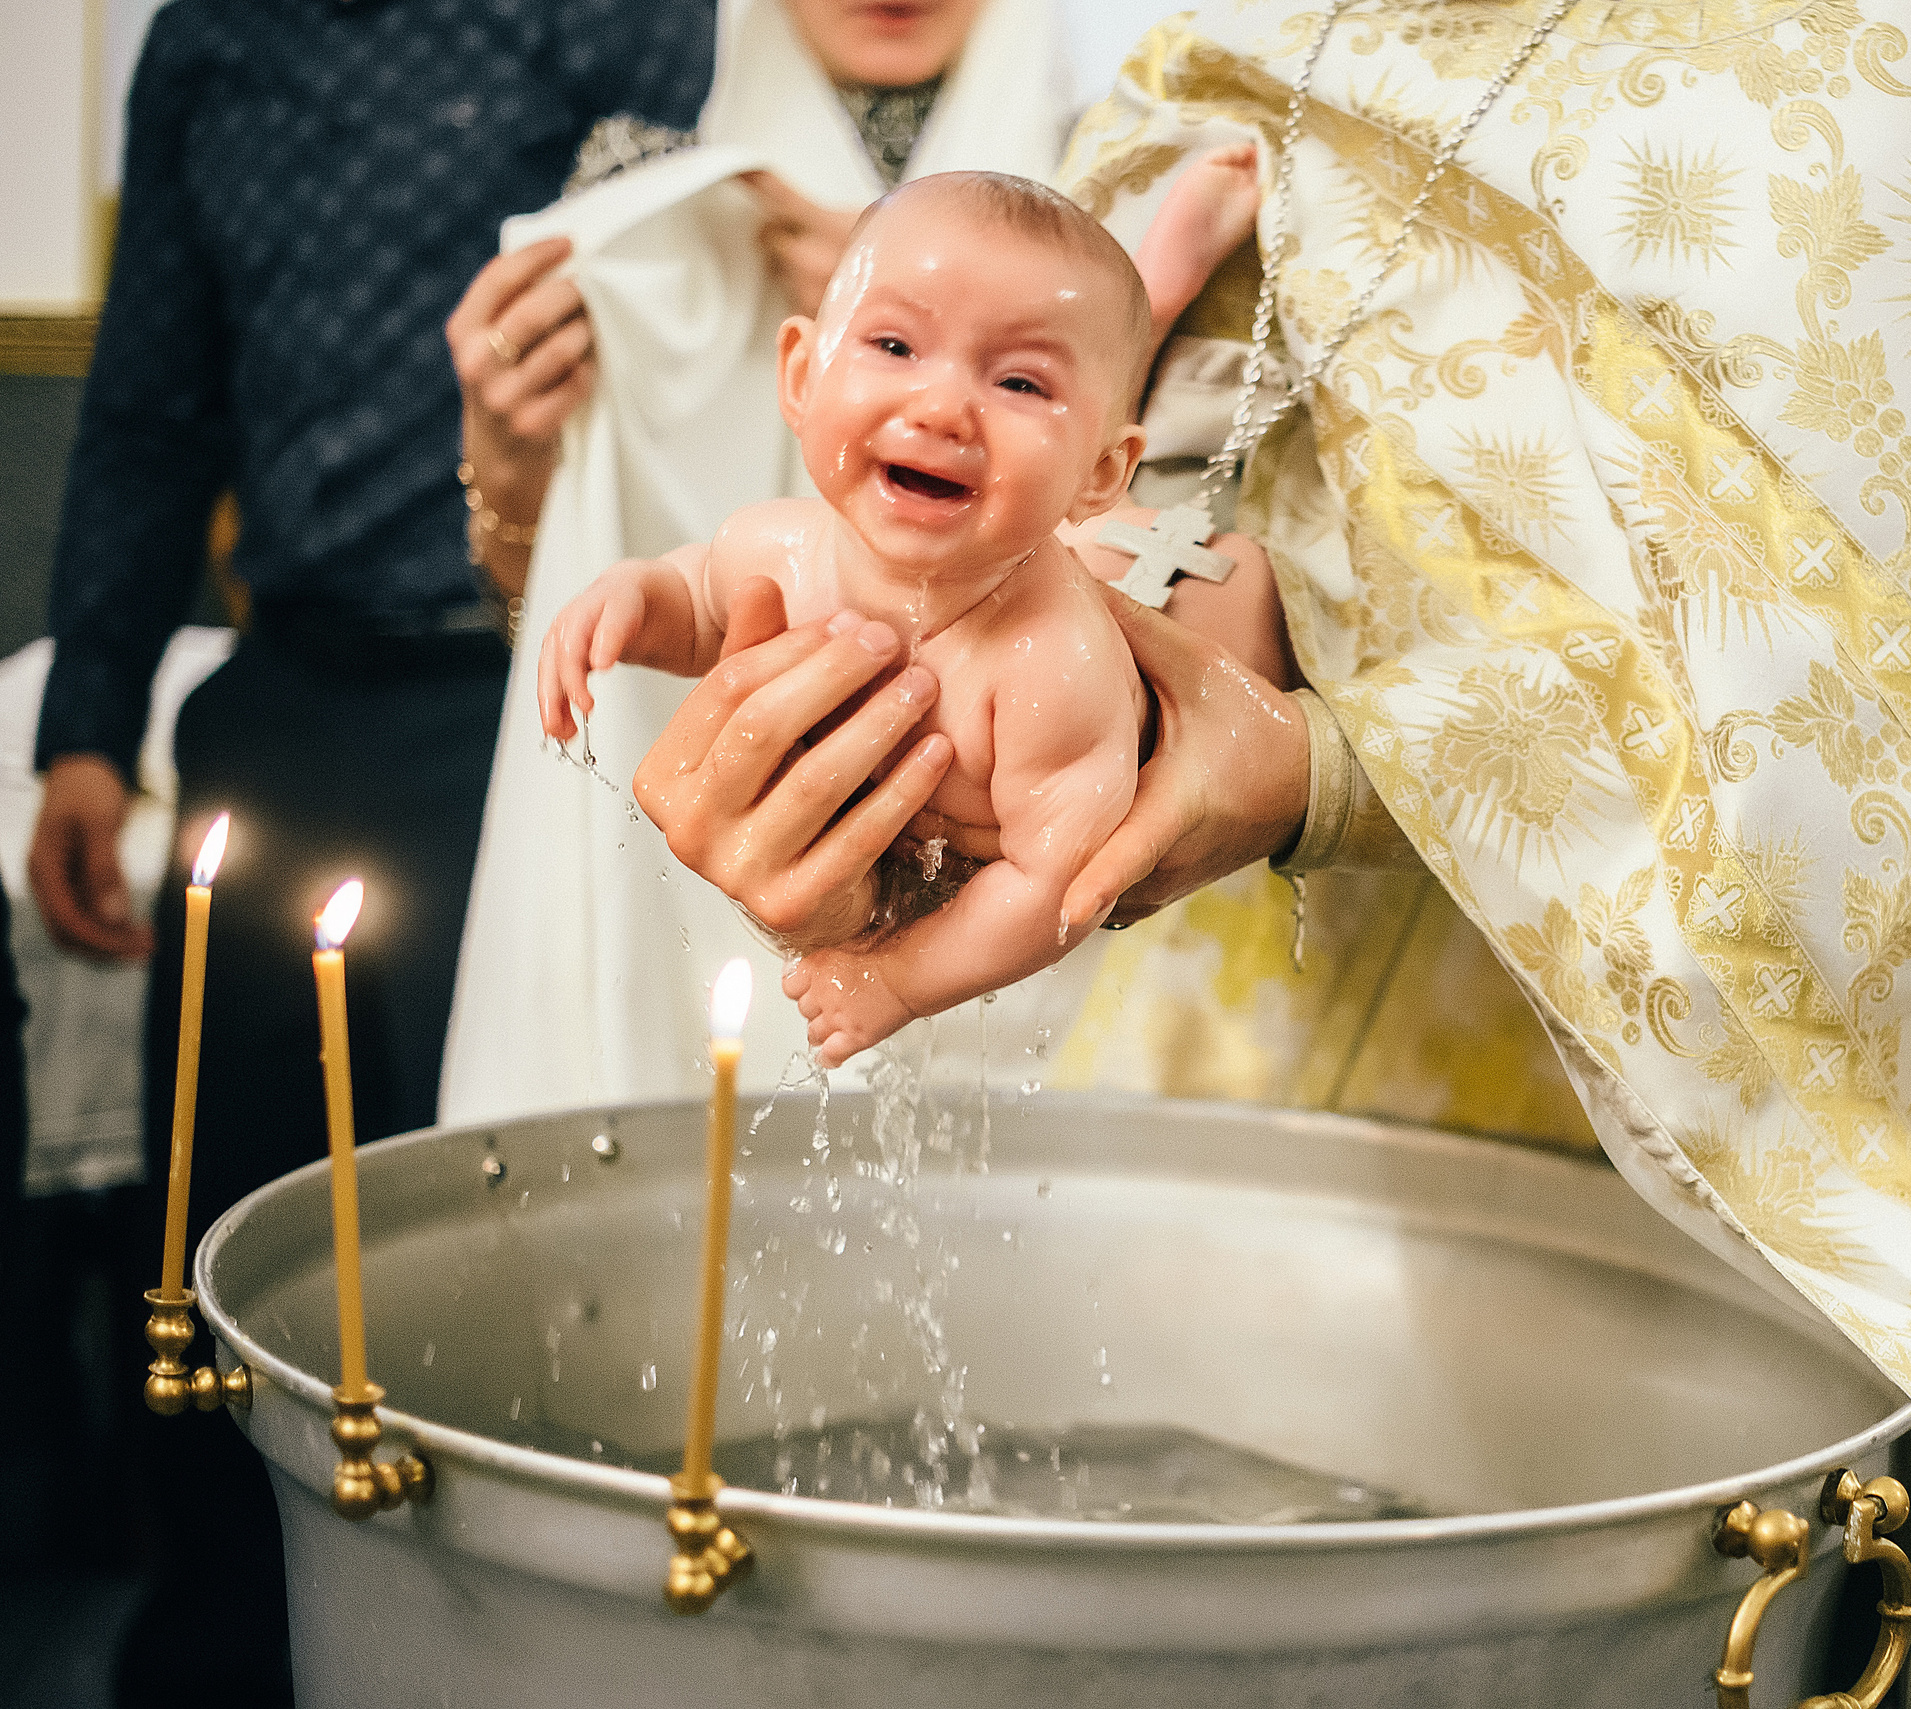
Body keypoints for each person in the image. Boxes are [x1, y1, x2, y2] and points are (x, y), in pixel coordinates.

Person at [637, 2, 1911, 1702]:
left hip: (1792, 1150)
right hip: (1286, 1038)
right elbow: (1225, 405)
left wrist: (1324, 769)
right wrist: (982, 702)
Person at [28, 4, 720, 1700]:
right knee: (228, 1239)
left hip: (538, 691)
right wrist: (86, 724)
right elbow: (148, 395)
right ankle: (219, 1647)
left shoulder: (615, 16)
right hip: (290, 688)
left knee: (502, 1257)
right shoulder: (204, 43)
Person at [441, 0, 1109, 1120]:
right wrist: (510, 484)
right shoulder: (647, 192)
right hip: (673, 857)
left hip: (1012, 881)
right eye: (891, 342)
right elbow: (613, 590)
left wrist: (916, 303)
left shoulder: (1119, 181)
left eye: (1018, 371)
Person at [541, 173, 1170, 1060]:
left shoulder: (1052, 661)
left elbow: (1058, 885)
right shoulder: (779, 546)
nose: (943, 406)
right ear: (800, 375)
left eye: (1021, 382)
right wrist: (634, 601)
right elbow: (704, 609)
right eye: (895, 344)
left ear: (1103, 472)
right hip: (825, 907)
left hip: (993, 998)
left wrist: (901, 981)